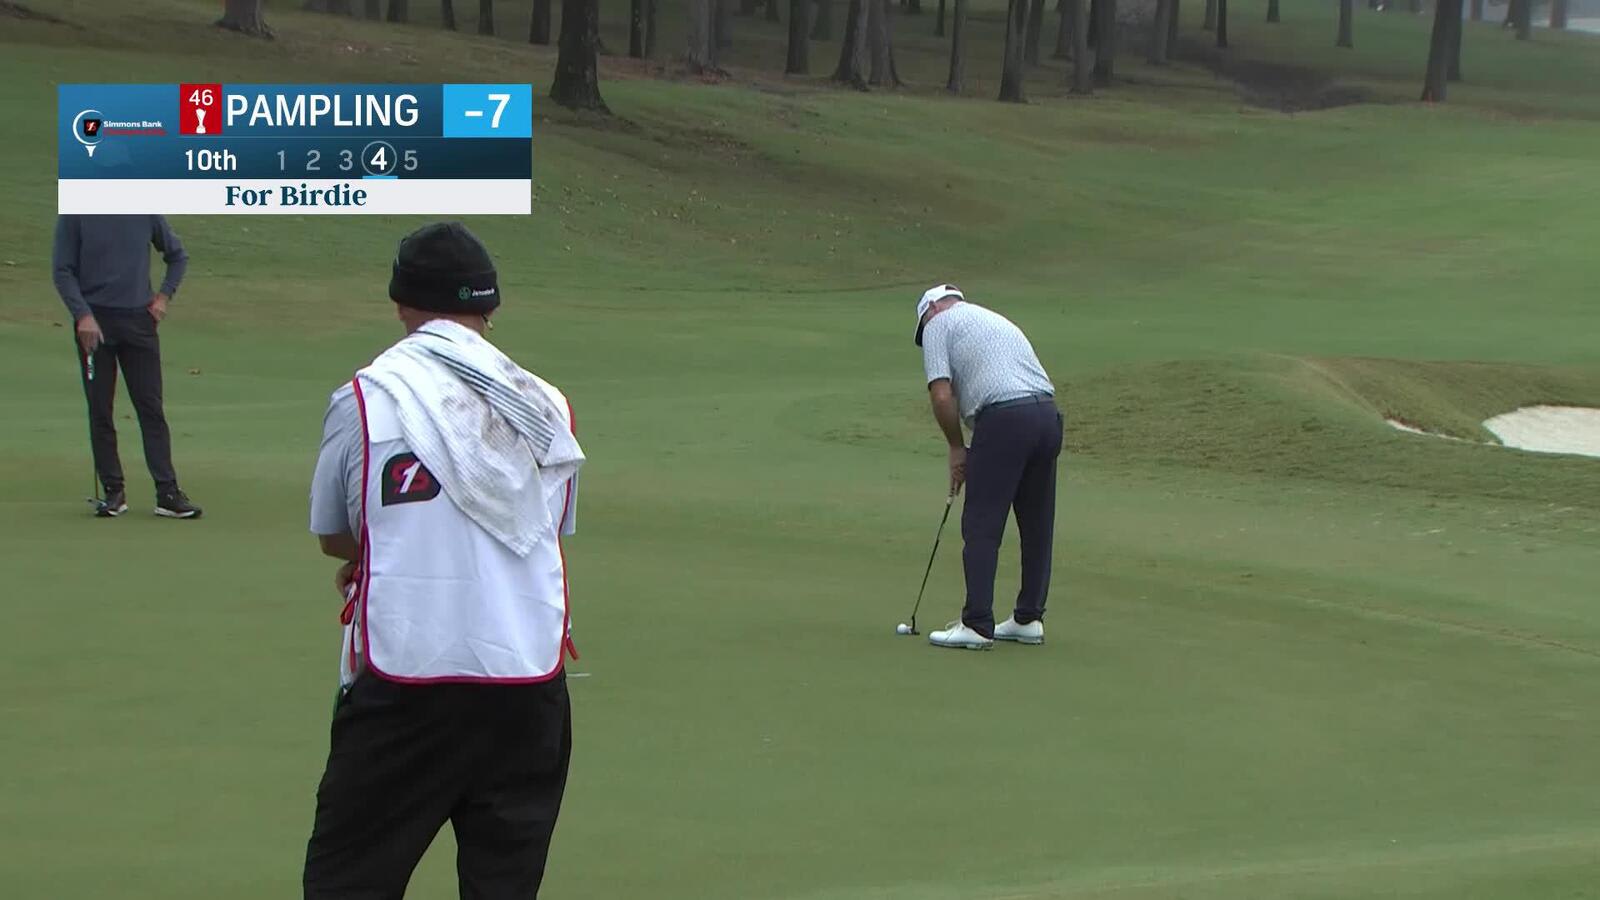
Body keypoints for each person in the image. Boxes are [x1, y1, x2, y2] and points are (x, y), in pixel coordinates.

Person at [302, 223, 585, 899]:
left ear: (402, 304)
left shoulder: (366, 397)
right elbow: (543, 530)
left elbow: (335, 536)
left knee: (347, 883)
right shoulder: (547, 404)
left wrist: (387, 549)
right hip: (526, 683)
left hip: (409, 688)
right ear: (489, 308)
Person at [914, 284, 1062, 650]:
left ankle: (977, 623)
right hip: (1047, 416)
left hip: (1005, 419)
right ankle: (1029, 618)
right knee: (1036, 522)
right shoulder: (991, 319)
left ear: (931, 309)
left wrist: (955, 448)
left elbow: (941, 394)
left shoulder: (937, 322)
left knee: (981, 521)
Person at [53, 214, 202, 518]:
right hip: (94, 322)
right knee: (100, 408)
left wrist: (163, 298)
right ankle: (113, 491)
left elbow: (177, 256)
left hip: (138, 321)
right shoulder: (76, 214)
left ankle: (167, 492)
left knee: (150, 408)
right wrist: (82, 314)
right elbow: (62, 270)